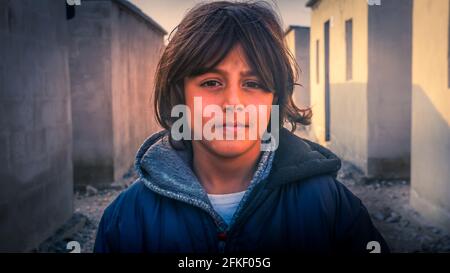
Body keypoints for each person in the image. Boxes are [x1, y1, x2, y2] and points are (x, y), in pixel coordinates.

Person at [94, 1, 389, 253]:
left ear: (275, 98)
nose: (232, 103)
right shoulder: (127, 218)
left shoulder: (330, 206)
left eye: (253, 83)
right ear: (179, 93)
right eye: (211, 82)